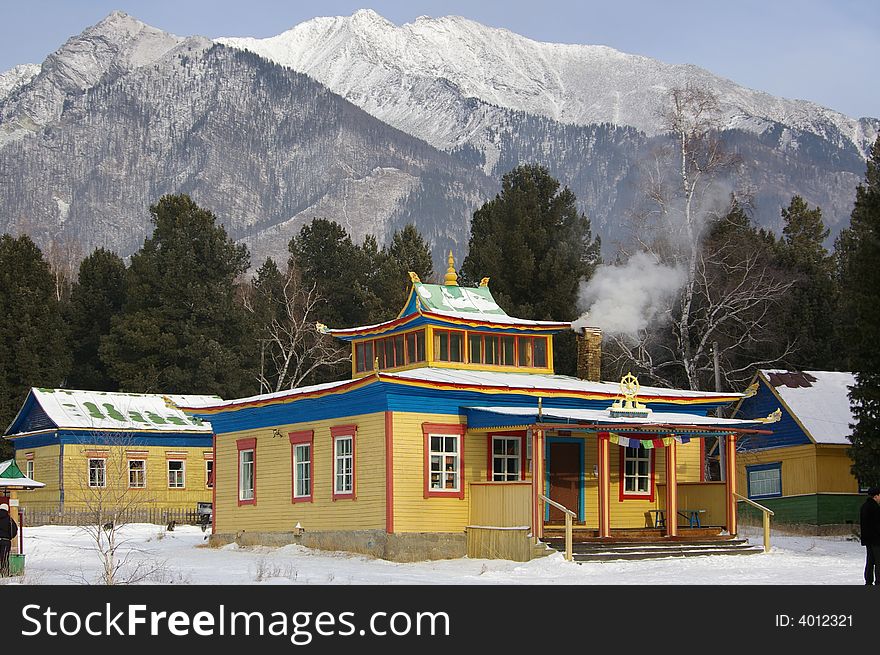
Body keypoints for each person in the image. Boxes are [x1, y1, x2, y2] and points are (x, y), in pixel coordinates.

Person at [860, 487, 880, 586]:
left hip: (868, 540)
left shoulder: (864, 506)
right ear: (876, 496)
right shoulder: (875, 508)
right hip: (876, 540)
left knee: (870, 561)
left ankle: (868, 581)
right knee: (878, 562)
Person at [0, 502, 18, 576]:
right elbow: (14, 530)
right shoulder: (9, 520)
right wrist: (10, 537)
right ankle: (4, 572)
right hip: (5, 541)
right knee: (4, 557)